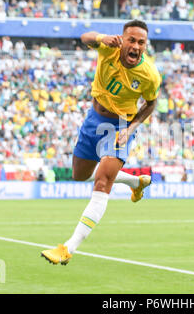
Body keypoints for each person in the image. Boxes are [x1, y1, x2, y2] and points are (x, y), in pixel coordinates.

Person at [41, 19, 161, 265]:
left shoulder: (150, 75)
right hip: (93, 119)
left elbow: (150, 104)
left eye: (141, 42)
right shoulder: (109, 48)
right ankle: (136, 182)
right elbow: (85, 37)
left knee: (102, 181)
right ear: (123, 39)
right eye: (132, 40)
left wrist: (132, 127)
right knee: (79, 175)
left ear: (145, 46)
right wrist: (101, 37)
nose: (136, 46)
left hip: (119, 126)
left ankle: (68, 248)